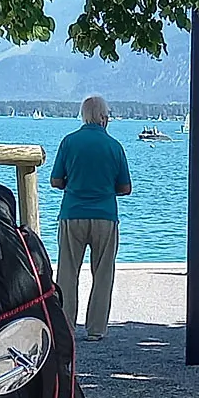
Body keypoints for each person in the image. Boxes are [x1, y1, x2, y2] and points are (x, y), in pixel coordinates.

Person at [48, 94, 131, 340]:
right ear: (104, 117)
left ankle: (66, 327)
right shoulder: (114, 146)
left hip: (73, 213)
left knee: (67, 272)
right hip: (105, 215)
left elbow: (55, 180)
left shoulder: (69, 142)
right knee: (103, 273)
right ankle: (96, 329)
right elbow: (125, 188)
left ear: (84, 116)